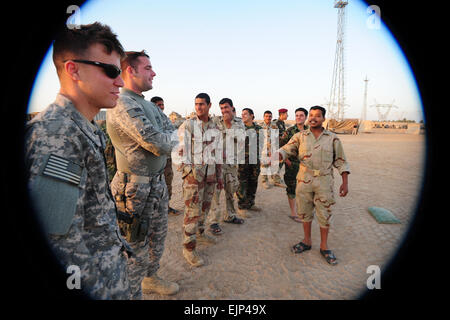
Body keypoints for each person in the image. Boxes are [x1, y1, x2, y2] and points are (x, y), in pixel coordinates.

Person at [24, 22, 131, 299]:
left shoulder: (83, 126)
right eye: (110, 71)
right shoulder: (57, 133)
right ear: (73, 70)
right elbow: (59, 241)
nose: (119, 81)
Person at [107, 50, 179, 299]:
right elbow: (158, 143)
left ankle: (151, 278)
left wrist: (167, 139)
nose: (154, 72)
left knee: (157, 238)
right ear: (131, 70)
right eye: (148, 67)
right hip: (133, 189)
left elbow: (170, 132)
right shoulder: (122, 103)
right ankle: (130, 292)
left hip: (157, 184)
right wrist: (168, 139)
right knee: (134, 247)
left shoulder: (148, 105)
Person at [277, 106, 350, 265]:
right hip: (304, 179)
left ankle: (324, 246)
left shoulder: (332, 138)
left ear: (324, 119)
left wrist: (345, 182)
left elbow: (341, 161)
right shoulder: (300, 136)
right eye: (311, 115)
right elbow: (287, 149)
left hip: (324, 181)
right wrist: (278, 155)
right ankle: (306, 241)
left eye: (317, 116)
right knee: (304, 212)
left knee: (324, 214)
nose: (313, 118)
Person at [178, 93, 223, 267]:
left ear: (209, 105)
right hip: (193, 177)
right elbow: (180, 149)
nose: (198, 107)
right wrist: (187, 172)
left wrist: (219, 176)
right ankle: (189, 249)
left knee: (205, 207)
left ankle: (201, 233)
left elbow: (218, 153)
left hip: (210, 175)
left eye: (202, 104)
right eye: (196, 104)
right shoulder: (188, 125)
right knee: (192, 212)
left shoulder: (215, 127)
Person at [208, 98, 245, 235]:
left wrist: (228, 124)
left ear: (232, 108)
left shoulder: (239, 122)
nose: (224, 111)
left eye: (226, 108)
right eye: (222, 108)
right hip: (217, 164)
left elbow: (241, 138)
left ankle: (230, 215)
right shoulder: (215, 121)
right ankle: (213, 222)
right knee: (215, 194)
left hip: (231, 163)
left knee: (231, 190)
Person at [151, 96, 182, 216]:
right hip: (156, 159)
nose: (161, 107)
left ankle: (166, 206)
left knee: (168, 182)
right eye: (159, 105)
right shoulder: (149, 119)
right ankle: (155, 210)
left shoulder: (165, 119)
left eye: (162, 105)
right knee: (155, 186)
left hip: (167, 159)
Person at [280, 108, 308, 222]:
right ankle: (293, 213)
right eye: (297, 115)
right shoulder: (290, 131)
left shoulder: (310, 131)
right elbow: (281, 147)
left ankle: (303, 210)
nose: (298, 117)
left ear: (306, 117)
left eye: (301, 115)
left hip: (306, 166)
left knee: (305, 188)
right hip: (292, 165)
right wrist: (287, 161)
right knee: (292, 188)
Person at [236, 108, 263, 216]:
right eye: (242, 114)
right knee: (242, 183)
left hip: (255, 160)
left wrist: (259, 158)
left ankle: (250, 203)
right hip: (242, 160)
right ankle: (242, 206)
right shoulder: (239, 129)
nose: (243, 116)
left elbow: (261, 145)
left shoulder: (259, 128)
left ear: (252, 115)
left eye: (245, 114)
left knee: (253, 181)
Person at [260, 110, 279, 189]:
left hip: (273, 148)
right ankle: (264, 181)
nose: (268, 118)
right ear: (264, 117)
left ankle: (275, 180)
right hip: (263, 149)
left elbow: (277, 138)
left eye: (270, 116)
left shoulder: (275, 126)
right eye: (266, 116)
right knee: (264, 166)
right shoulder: (260, 126)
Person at [271, 108, 289, 188]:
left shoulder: (282, 123)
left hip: (281, 146)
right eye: (286, 114)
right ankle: (276, 181)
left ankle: (275, 177)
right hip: (276, 146)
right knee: (278, 163)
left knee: (279, 163)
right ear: (282, 114)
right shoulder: (276, 123)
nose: (287, 115)